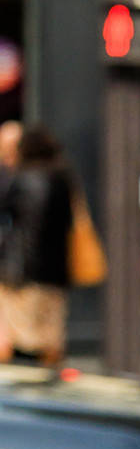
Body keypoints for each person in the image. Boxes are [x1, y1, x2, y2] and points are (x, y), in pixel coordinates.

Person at [0, 124, 74, 364]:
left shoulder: (20, 179)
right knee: (50, 340)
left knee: (12, 337)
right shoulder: (62, 179)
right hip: (54, 272)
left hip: (19, 271)